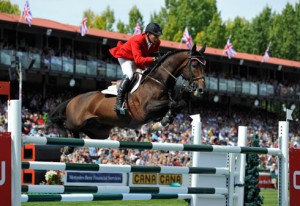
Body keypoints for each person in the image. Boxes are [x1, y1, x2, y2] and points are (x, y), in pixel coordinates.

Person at [109, 22, 163, 114]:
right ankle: (118, 104)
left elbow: (155, 56)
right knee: (130, 75)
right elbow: (138, 60)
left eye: (158, 36)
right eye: (155, 35)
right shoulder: (137, 40)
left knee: (149, 75)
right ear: (148, 34)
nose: (157, 38)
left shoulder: (157, 42)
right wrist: (154, 59)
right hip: (125, 57)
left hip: (138, 59)